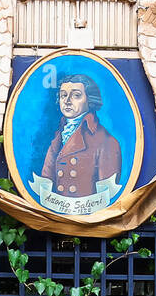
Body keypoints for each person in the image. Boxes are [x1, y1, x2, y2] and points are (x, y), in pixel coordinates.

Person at [38, 74, 122, 202]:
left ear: (90, 100)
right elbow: (47, 179)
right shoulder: (58, 137)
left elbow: (107, 196)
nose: (67, 101)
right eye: (63, 95)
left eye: (76, 95)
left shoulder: (106, 142)